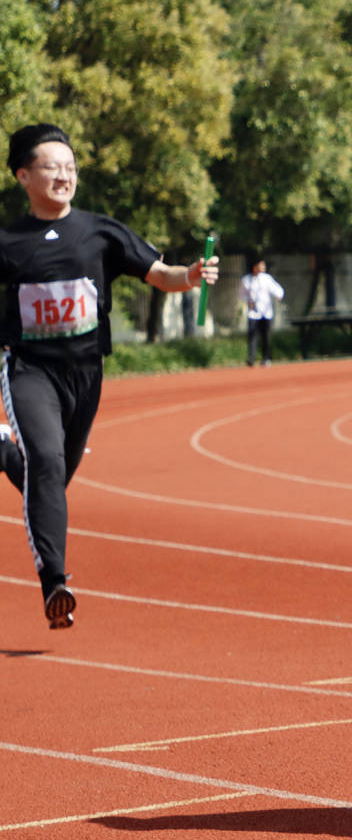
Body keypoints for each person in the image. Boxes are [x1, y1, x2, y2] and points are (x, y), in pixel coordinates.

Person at [2, 123, 219, 629]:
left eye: (70, 167)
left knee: (51, 478)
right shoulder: (7, 241)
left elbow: (159, 274)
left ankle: (5, 452)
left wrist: (188, 276)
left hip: (87, 373)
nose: (63, 175)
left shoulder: (100, 232)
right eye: (51, 167)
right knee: (49, 466)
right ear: (23, 175)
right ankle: (54, 581)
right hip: (30, 370)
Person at [238, 257, 284, 367]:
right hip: (253, 313)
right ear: (255, 266)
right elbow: (241, 295)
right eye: (261, 265)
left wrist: (279, 296)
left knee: (266, 336)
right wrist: (248, 301)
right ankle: (251, 358)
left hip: (266, 312)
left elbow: (277, 289)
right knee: (252, 335)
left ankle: (266, 358)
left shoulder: (266, 278)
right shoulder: (246, 280)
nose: (263, 267)